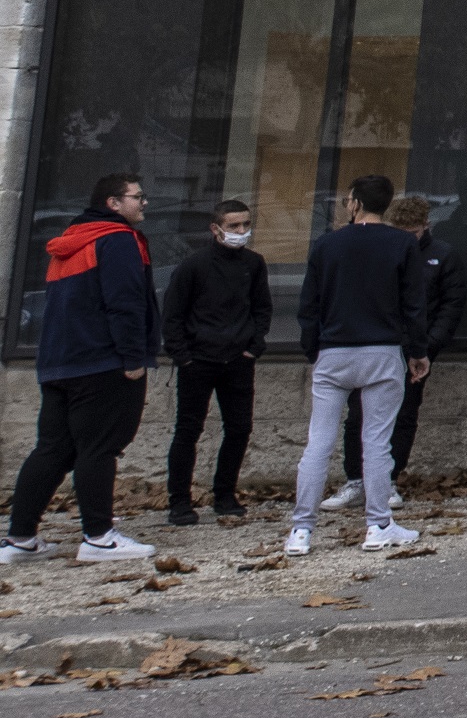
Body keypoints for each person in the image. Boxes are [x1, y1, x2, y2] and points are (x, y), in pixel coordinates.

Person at [6, 172, 156, 566]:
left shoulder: (70, 241)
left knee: (53, 448)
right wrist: (133, 358)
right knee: (99, 448)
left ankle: (19, 538)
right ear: (113, 203)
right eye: (137, 197)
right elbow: (125, 302)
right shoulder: (119, 239)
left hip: (59, 363)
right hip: (102, 361)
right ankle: (99, 537)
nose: (143, 203)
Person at [286, 171, 429, 559]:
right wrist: (418, 351)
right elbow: (414, 304)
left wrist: (313, 347)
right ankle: (378, 524)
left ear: (354, 202)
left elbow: (309, 304)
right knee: (377, 443)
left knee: (318, 443)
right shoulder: (402, 244)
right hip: (382, 351)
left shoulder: (327, 244)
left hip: (334, 351)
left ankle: (301, 530)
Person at [161, 197, 271, 530]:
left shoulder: (254, 263)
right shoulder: (193, 266)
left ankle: (225, 495)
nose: (241, 232)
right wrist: (183, 356)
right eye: (233, 226)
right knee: (187, 431)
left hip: (238, 360)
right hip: (199, 361)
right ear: (216, 228)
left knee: (239, 428)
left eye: (246, 225)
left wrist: (253, 346)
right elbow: (173, 314)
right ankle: (179, 502)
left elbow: (261, 307)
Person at [375, 192, 467, 491]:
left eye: (412, 234)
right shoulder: (384, 251)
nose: (406, 240)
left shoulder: (443, 255)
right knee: (362, 414)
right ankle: (358, 479)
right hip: (380, 342)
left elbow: (451, 305)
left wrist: (429, 345)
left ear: (425, 225)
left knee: (404, 413)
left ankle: (389, 478)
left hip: (415, 346)